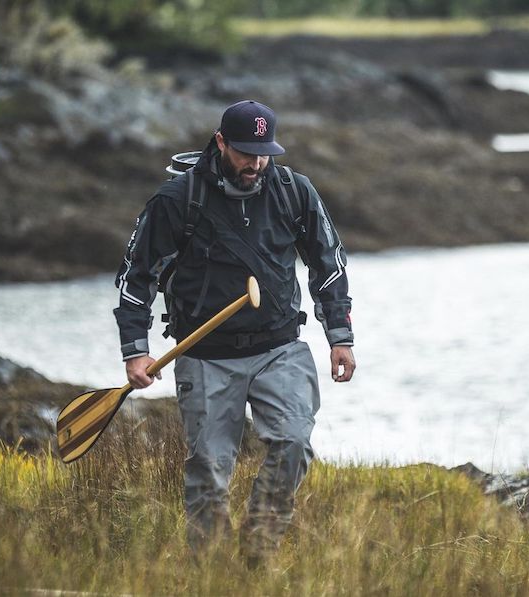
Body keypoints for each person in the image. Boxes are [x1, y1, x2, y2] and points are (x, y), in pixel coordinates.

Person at [113, 99, 355, 559]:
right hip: (205, 353)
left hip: (280, 348)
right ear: (221, 142)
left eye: (264, 152)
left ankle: (257, 552)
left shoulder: (293, 191)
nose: (256, 162)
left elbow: (329, 264)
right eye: (245, 152)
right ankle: (212, 569)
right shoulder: (177, 200)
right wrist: (135, 349)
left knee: (292, 443)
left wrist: (339, 337)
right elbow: (135, 275)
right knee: (208, 468)